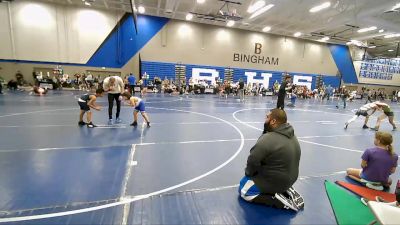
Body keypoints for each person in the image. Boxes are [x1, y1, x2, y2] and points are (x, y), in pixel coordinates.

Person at [239, 109, 304, 211]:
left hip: (277, 182)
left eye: (267, 117)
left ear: (273, 121)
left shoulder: (268, 138)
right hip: (291, 179)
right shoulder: (293, 136)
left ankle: (276, 201)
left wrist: (249, 174)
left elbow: (252, 161)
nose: (265, 120)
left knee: (244, 190)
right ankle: (284, 189)